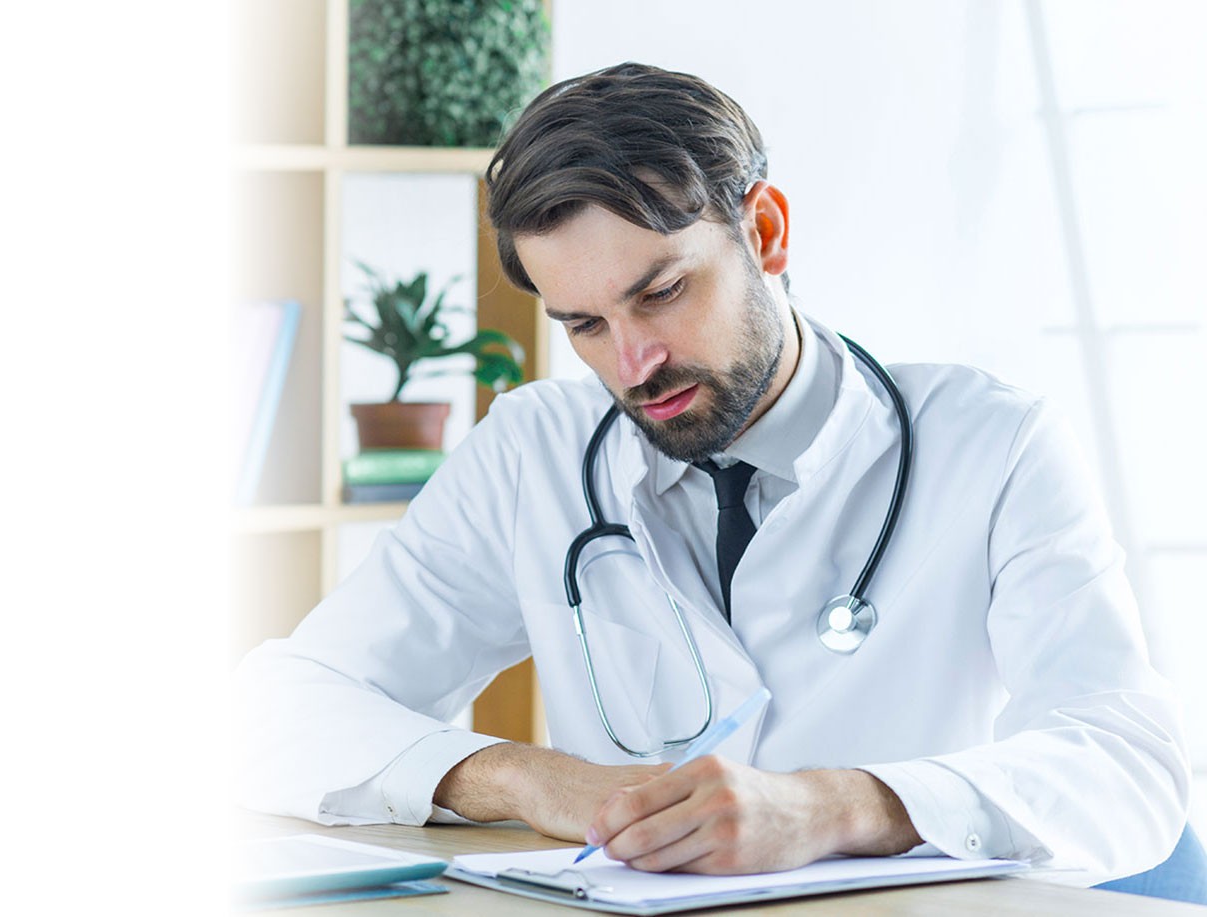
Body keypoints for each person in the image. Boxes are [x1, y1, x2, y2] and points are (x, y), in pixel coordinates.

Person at [234, 62, 1190, 887]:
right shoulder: (534, 449)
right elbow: (272, 710)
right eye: (585, 326)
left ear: (765, 232)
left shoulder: (994, 445)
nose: (632, 362)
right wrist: (524, 776)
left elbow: (1128, 766)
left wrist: (840, 807)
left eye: (661, 293)